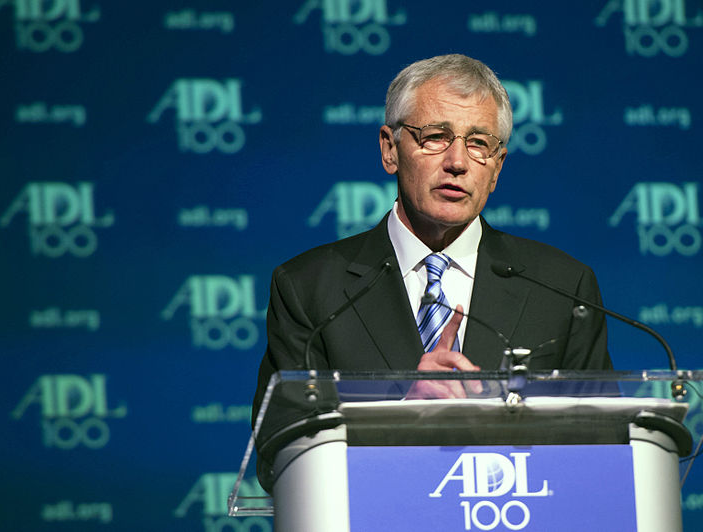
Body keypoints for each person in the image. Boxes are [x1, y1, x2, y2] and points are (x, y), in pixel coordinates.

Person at [253, 54, 612, 422]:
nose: (457, 162)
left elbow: (605, 442)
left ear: (496, 168)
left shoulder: (561, 287)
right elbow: (280, 450)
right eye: (436, 137)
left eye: (478, 143)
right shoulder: (308, 289)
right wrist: (405, 418)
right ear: (390, 150)